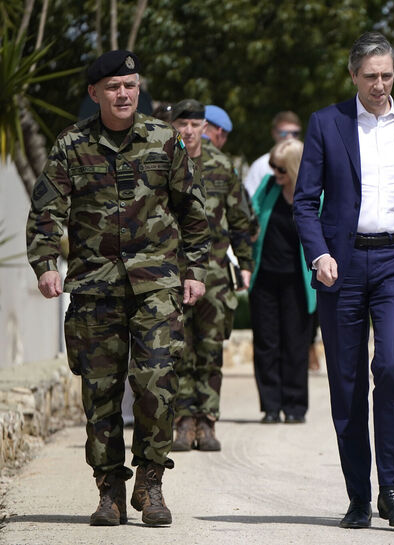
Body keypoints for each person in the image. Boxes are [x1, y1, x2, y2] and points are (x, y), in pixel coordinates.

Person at [26, 50, 210, 527]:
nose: (123, 93)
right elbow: (46, 210)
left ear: (139, 88)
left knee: (156, 387)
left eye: (129, 84)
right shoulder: (72, 144)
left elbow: (193, 210)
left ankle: (150, 484)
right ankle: (109, 489)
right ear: (94, 94)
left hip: (157, 285)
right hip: (94, 287)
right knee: (100, 393)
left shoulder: (164, 139)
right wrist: (46, 263)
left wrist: (195, 270)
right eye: (112, 86)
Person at [293, 31, 394, 530]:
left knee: (393, 366)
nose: (380, 84)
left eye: (387, 75)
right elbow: (304, 200)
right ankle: (358, 496)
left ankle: (392, 488)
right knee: (348, 381)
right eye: (371, 75)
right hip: (345, 265)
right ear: (354, 75)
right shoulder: (326, 123)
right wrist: (319, 255)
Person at [169, 99, 256, 452]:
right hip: (171, 273)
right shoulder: (161, 161)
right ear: (173, 126)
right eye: (182, 124)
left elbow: (240, 220)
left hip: (216, 273)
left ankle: (207, 422)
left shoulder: (222, 166)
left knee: (209, 349)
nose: (189, 131)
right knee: (177, 350)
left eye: (195, 124)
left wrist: (246, 264)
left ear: (206, 128)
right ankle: (182, 422)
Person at [249, 139, 315, 424]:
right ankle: (271, 406)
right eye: (273, 167)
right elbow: (249, 219)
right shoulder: (267, 187)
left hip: (299, 282)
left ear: (294, 168)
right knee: (266, 343)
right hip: (264, 278)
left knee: (296, 344)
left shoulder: (313, 195)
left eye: (280, 169)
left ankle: (296, 406)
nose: (275, 173)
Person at [243, 111, 302, 196]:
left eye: (295, 133)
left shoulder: (312, 163)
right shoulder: (261, 165)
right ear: (273, 133)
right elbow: (249, 200)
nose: (289, 137)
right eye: (283, 133)